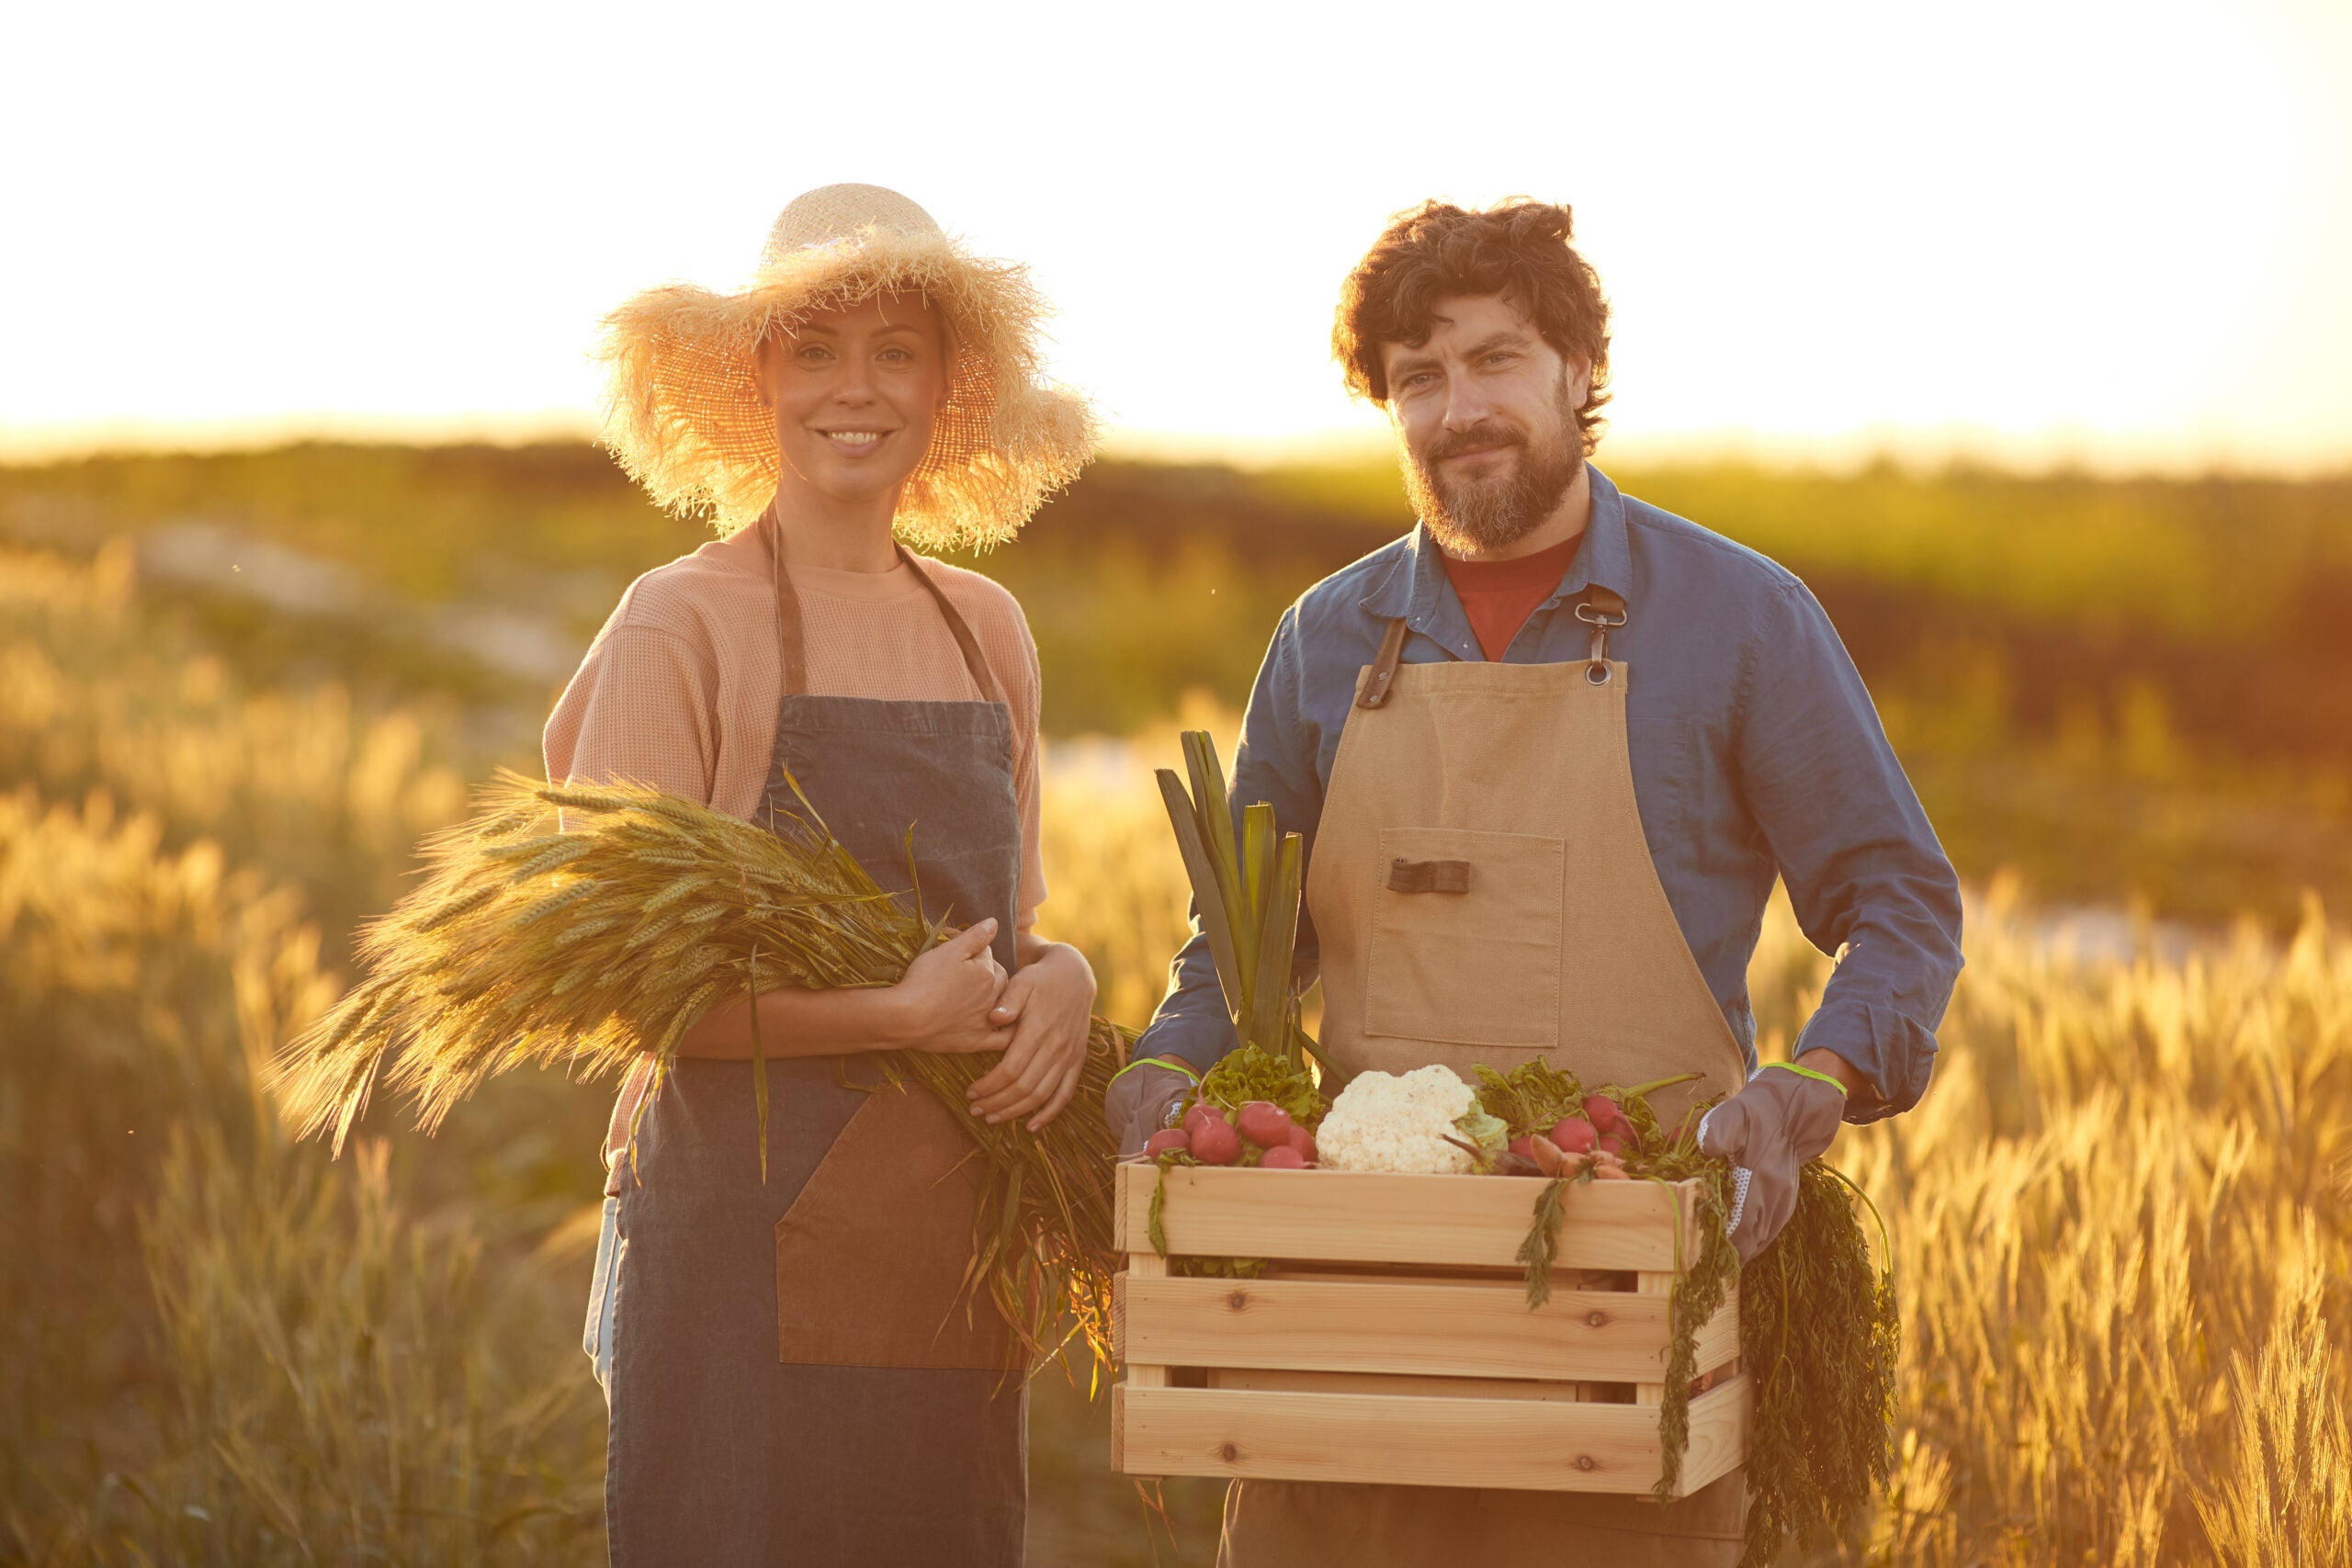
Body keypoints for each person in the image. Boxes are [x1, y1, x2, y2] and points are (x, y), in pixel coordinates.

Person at [1108, 197, 1964, 1565]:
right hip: (1351, 1329)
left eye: (1496, 360)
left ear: (1579, 369)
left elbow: (1899, 901)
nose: (1461, 409)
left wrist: (1816, 1083)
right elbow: (1245, 944)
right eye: (1419, 380)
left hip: (1624, 1329)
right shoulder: (1326, 640)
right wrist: (1171, 1059)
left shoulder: (1739, 619)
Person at [552, 184, 1101, 1566]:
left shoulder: (988, 630)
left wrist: (1071, 982)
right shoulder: (679, 624)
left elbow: (1015, 930)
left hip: (948, 1237)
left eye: (896, 350)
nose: (855, 390)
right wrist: (893, 1020)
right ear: (759, 379)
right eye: (815, 350)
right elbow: (633, 1005)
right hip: (732, 1249)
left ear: (947, 385)